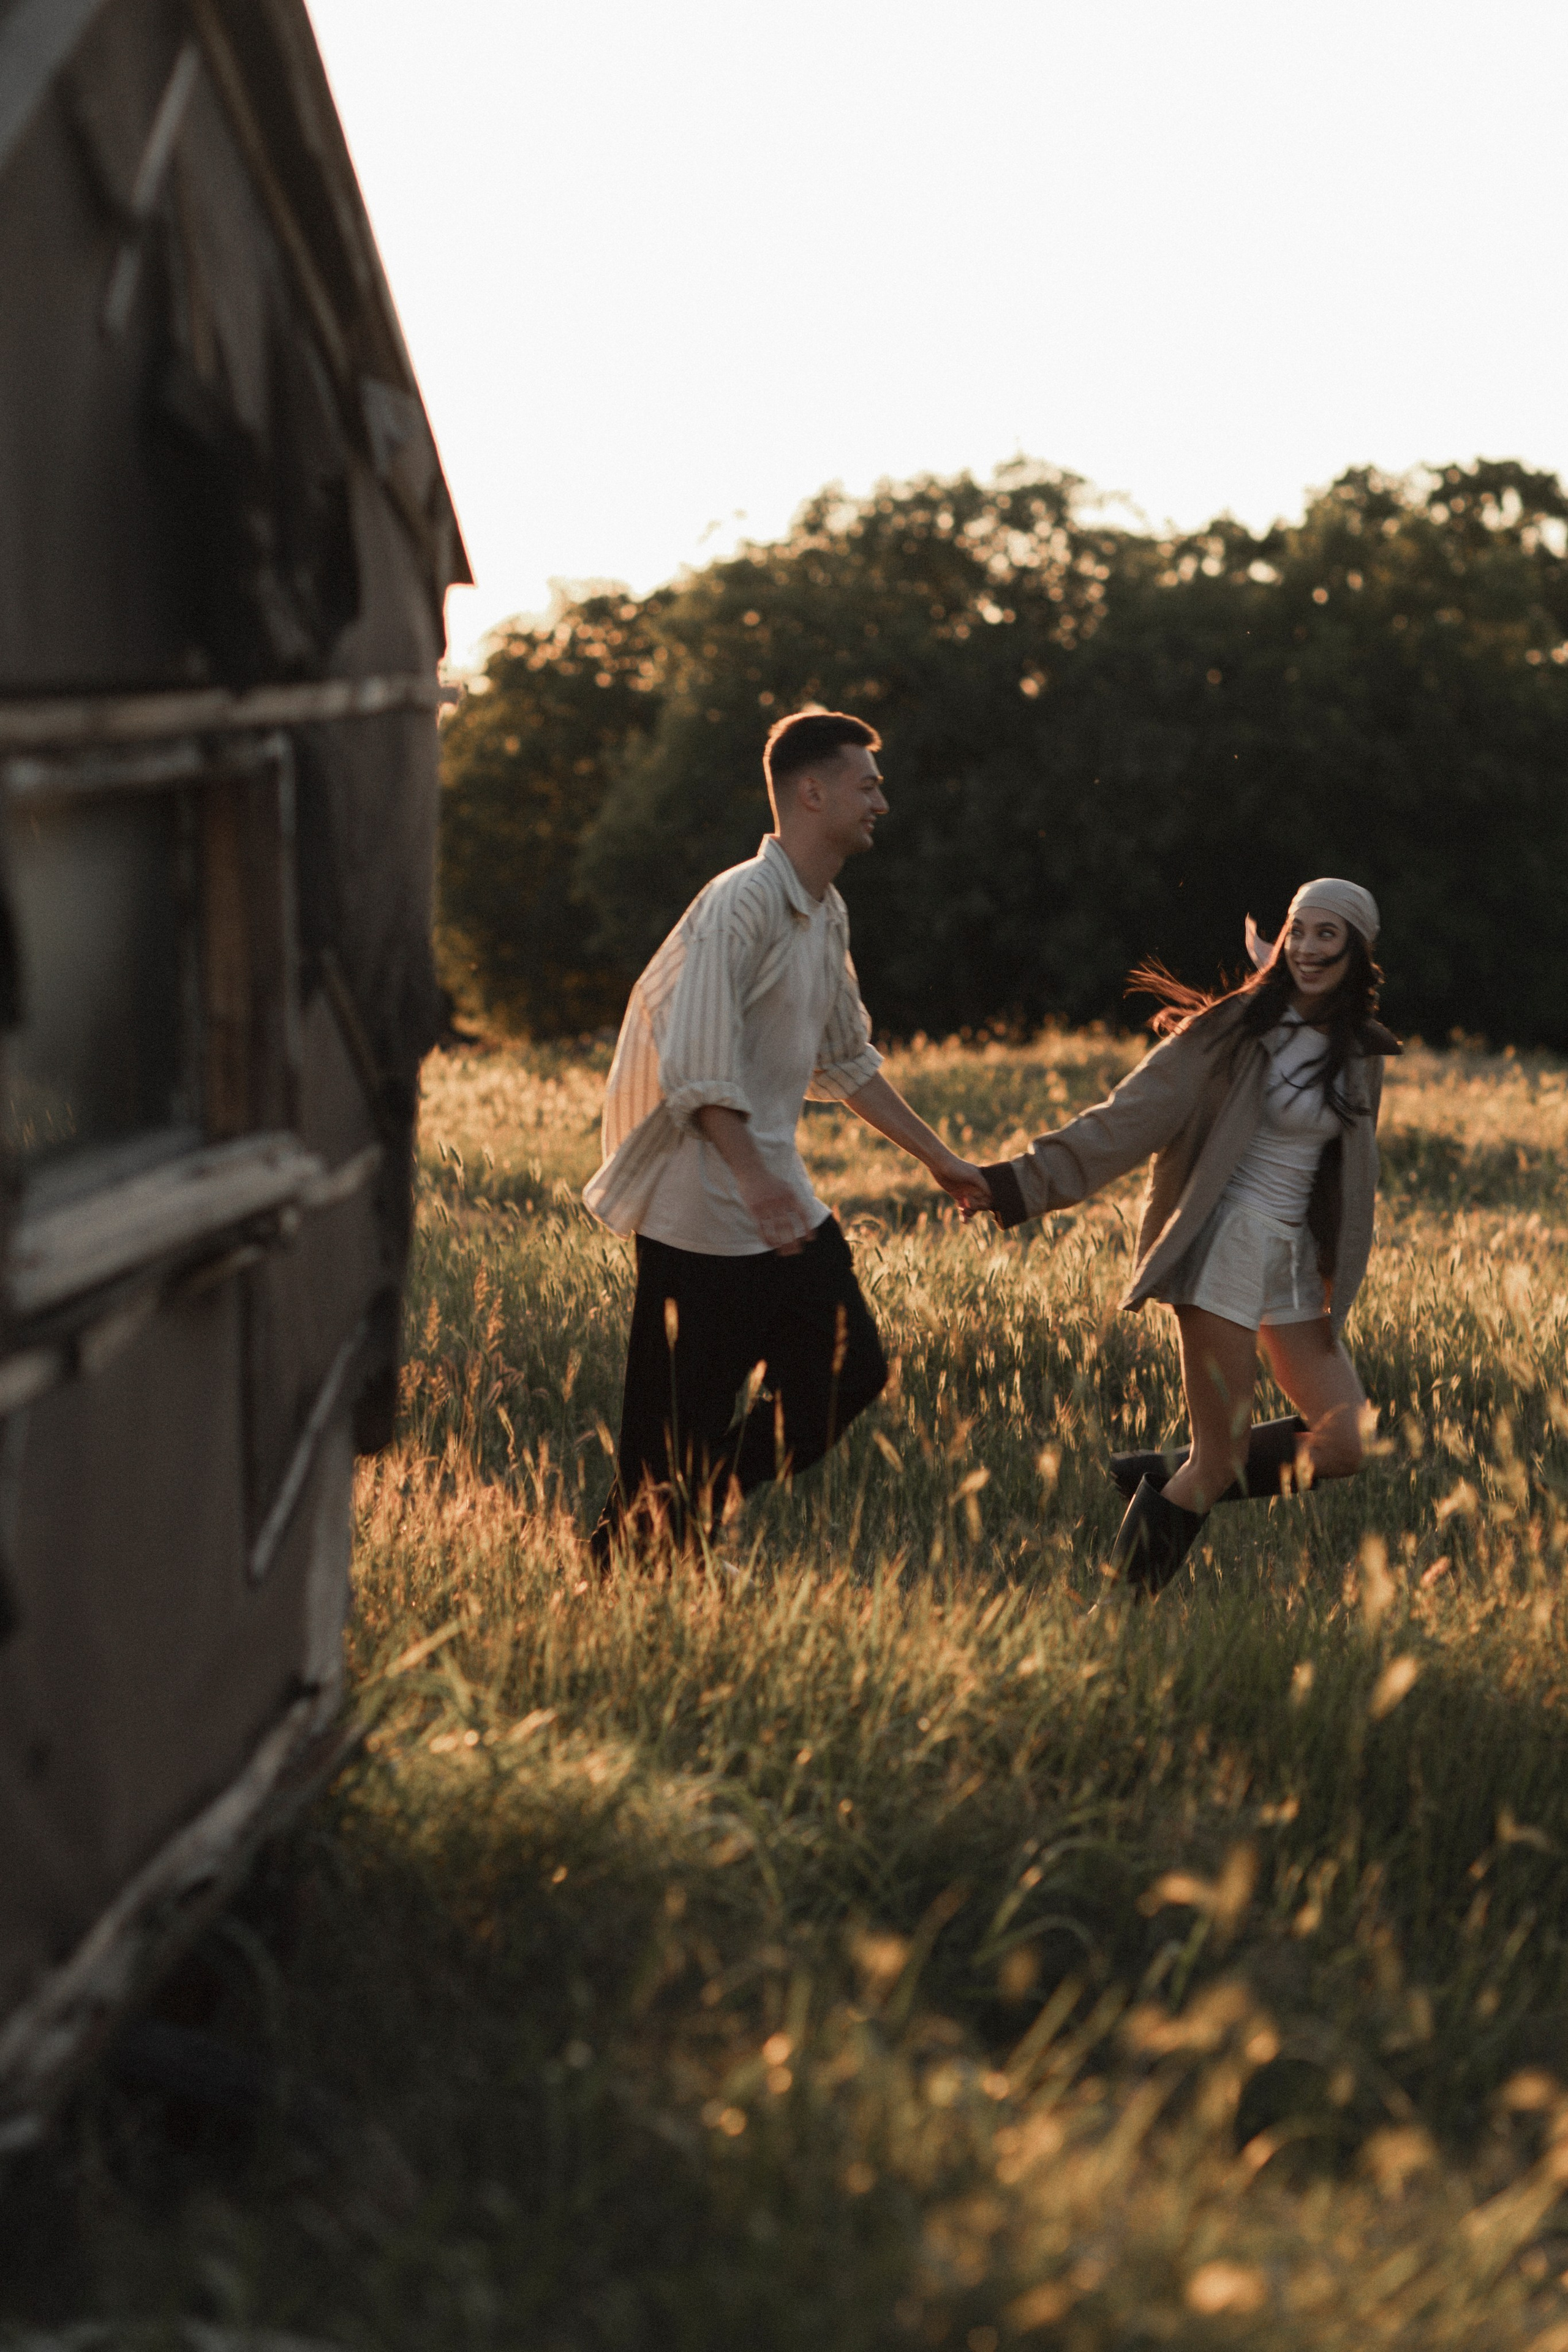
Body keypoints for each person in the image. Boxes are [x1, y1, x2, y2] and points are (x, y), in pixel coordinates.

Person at [586, 708, 987, 1564]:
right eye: (867, 785)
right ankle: (628, 1560)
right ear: (812, 791)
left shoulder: (824, 910)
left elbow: (846, 1060)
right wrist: (753, 1176)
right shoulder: (740, 903)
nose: (882, 801)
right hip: (699, 1218)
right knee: (667, 1440)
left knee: (848, 1375)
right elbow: (695, 1065)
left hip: (776, 1205)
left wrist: (940, 1159)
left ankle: (676, 1525)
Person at [973, 880, 1400, 1597]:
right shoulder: (1235, 1029)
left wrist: (1335, 1258)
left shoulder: (1360, 1050)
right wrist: (1017, 1184)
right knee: (1222, 1461)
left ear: (1357, 949)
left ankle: (1164, 1473)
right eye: (1297, 931)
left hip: (1292, 1259)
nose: (1306, 948)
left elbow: (1347, 1171)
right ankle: (1117, 1607)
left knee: (1346, 1443)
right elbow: (1130, 1115)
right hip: (1225, 1243)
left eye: (1327, 935)